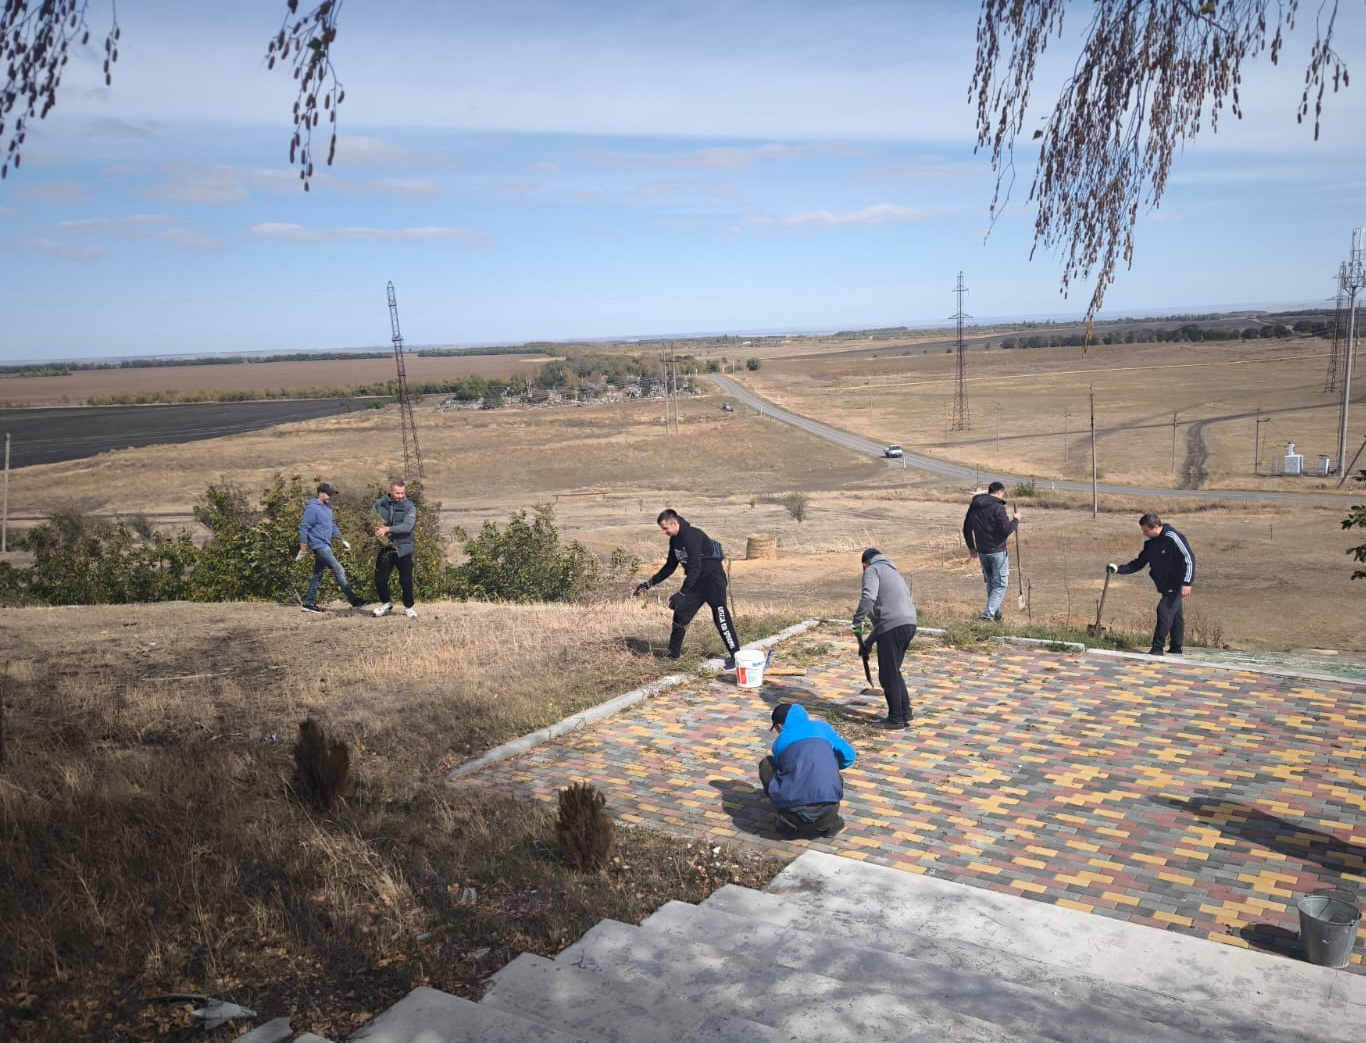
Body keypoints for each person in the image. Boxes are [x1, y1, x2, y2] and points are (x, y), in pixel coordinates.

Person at [633, 509, 740, 665]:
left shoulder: (692, 536)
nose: (664, 532)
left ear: (674, 523)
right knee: (680, 614)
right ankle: (673, 655)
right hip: (695, 582)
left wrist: (682, 593)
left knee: (720, 616)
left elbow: (696, 567)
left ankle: (736, 656)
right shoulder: (675, 541)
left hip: (712, 580)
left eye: (665, 528)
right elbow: (670, 567)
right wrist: (647, 585)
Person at [760, 702, 856, 839]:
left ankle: (788, 821)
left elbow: (783, 772)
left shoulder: (779, 743)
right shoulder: (823, 728)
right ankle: (828, 822)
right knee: (829, 763)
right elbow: (849, 756)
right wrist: (830, 765)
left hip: (792, 810)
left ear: (780, 726)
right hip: (828, 805)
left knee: (766, 764)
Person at [1108, 512, 1196, 656]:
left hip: (1177, 582)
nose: (1144, 534)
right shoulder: (1151, 543)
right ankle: (1176, 647)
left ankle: (1157, 649)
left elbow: (1189, 558)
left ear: (1156, 527)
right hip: (1164, 583)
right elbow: (1139, 563)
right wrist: (1118, 569)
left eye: (1146, 530)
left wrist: (1187, 582)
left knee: (1164, 611)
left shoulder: (1173, 537)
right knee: (1175, 614)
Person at [852, 548, 918, 728]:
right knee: (893, 671)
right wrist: (868, 642)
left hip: (894, 627)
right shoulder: (893, 572)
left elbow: (868, 597)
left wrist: (857, 620)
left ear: (864, 564)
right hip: (909, 624)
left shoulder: (872, 571)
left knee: (887, 674)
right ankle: (906, 713)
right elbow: (885, 621)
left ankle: (895, 719)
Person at [297, 482, 366, 613]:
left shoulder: (328, 508)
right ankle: (354, 600)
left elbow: (332, 525)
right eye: (328, 494)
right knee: (338, 569)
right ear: (320, 493)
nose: (330, 497)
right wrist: (303, 548)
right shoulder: (312, 508)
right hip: (319, 545)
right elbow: (304, 528)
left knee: (318, 574)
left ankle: (308, 603)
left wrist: (342, 540)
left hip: (326, 543)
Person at [963, 480, 1019, 622]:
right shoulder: (998, 507)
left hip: (982, 552)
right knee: (1000, 585)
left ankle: (997, 615)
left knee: (992, 584)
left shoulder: (974, 505)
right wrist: (1016, 520)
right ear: (1000, 493)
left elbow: (966, 528)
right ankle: (987, 617)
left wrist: (971, 548)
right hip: (998, 552)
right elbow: (1006, 530)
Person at [372, 479, 419, 619]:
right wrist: (375, 529)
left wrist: (388, 529)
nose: (400, 496)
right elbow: (371, 519)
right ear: (390, 491)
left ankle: (409, 607)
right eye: (397, 493)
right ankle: (386, 604)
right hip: (386, 547)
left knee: (405, 580)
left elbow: (407, 526)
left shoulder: (410, 506)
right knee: (380, 579)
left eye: (402, 493)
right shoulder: (379, 504)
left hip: (403, 547)